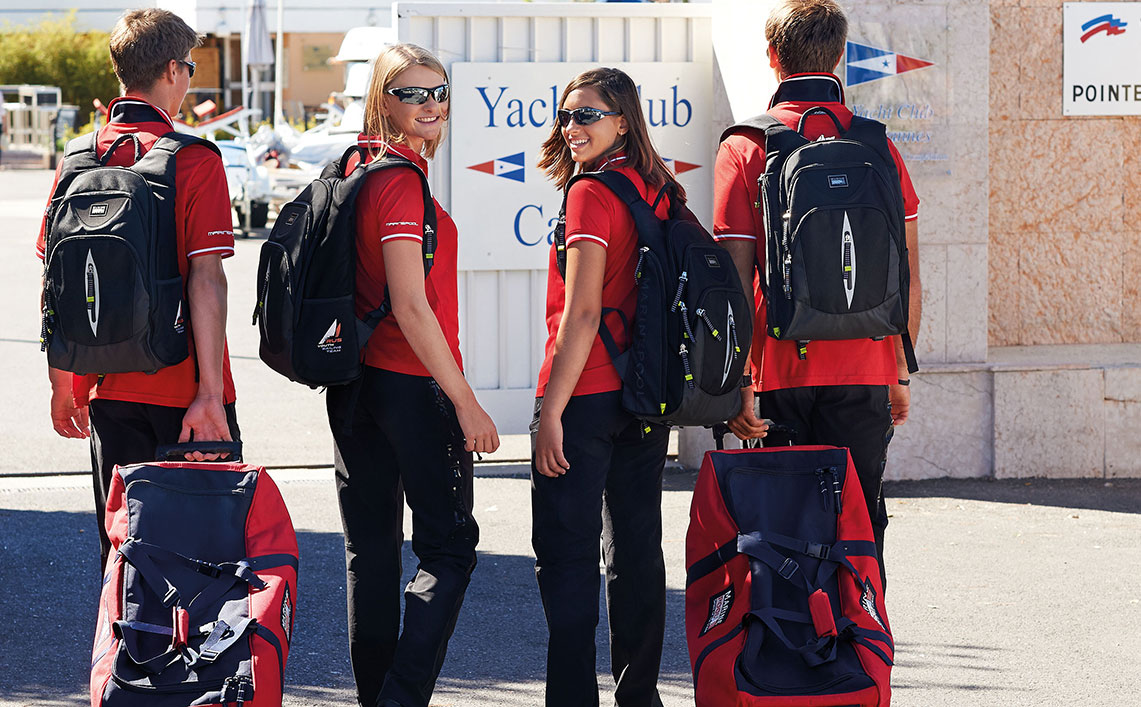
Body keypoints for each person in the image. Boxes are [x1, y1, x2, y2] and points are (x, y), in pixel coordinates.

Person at [716, 0, 922, 583]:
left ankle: (787, 665)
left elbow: (735, 279)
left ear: (773, 57)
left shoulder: (746, 146)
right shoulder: (879, 145)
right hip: (867, 364)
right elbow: (908, 270)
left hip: (778, 366)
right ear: (839, 57)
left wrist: (738, 384)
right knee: (859, 524)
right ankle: (859, 658)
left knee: (780, 531)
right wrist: (899, 371)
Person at [323, 43, 499, 707]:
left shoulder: (358, 168)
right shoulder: (398, 180)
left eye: (438, 91)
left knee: (369, 554)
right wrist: (467, 402)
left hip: (355, 386)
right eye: (412, 94)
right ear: (381, 101)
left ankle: (379, 698)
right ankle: (398, 698)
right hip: (409, 386)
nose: (430, 105)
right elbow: (409, 303)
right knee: (448, 550)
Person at [37, 8, 238, 571]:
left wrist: (64, 386)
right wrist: (211, 393)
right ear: (173, 70)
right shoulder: (192, 159)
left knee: (123, 553)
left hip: (106, 390)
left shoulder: (76, 159)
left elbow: (55, 283)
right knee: (202, 561)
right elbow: (207, 278)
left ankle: (123, 660)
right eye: (191, 67)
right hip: (186, 396)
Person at [532, 67, 683, 707]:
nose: (572, 128)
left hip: (586, 395)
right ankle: (638, 696)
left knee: (567, 559)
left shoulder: (590, 194)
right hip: (645, 394)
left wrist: (550, 415)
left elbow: (583, 314)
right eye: (566, 116)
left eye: (587, 115)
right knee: (637, 553)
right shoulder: (657, 188)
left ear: (622, 120)